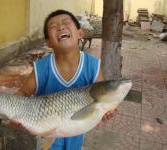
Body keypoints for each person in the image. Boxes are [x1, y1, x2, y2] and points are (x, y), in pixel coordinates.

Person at [16, 9, 116, 150]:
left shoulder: (92, 66)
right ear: (49, 42)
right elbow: (23, 93)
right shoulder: (41, 68)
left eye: (66, 23)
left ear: (80, 33)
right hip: (45, 134)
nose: (61, 27)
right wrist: (15, 115)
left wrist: (104, 111)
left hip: (76, 132)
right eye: (53, 27)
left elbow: (100, 98)